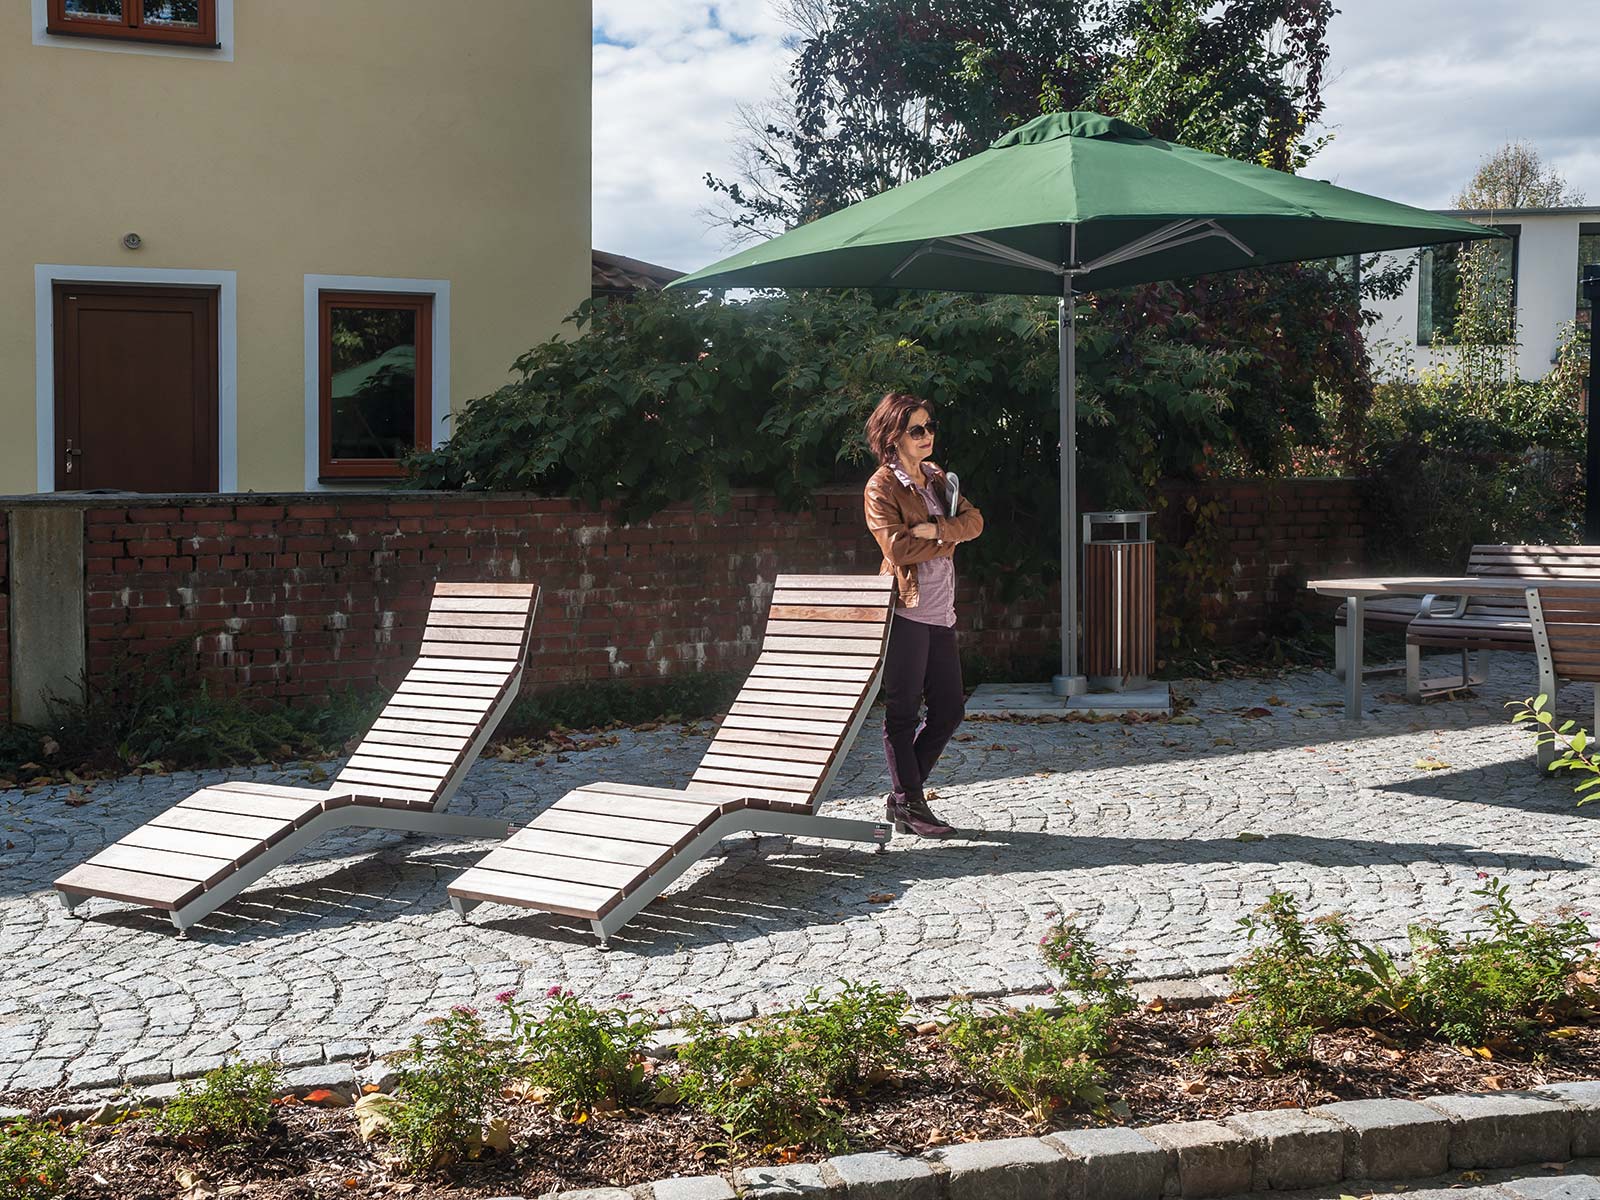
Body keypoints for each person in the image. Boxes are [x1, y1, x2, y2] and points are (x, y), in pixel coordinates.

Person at [862, 392, 984, 838]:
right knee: (903, 711)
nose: (927, 435)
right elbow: (896, 547)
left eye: (930, 426)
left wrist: (938, 530)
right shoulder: (881, 487)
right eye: (917, 429)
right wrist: (948, 540)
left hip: (941, 610)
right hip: (906, 610)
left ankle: (902, 797)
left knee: (950, 710)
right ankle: (911, 802)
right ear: (893, 436)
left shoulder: (936, 478)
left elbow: (976, 521)